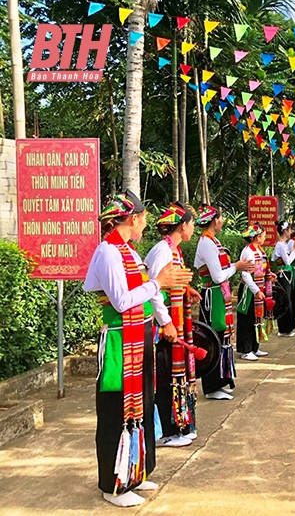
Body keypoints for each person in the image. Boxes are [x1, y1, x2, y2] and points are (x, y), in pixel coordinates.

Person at [85, 190, 192, 507]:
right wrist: (159, 282)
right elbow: (120, 300)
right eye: (144, 219)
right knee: (116, 410)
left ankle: (134, 472)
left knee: (141, 408)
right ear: (132, 219)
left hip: (140, 335)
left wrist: (163, 284)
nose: (147, 224)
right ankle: (112, 484)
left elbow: (143, 290)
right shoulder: (108, 252)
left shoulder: (129, 251)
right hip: (120, 340)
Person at [145, 202, 202, 449]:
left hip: (174, 317)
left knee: (176, 374)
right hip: (164, 322)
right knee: (166, 375)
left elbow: (169, 282)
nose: (193, 230)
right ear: (182, 226)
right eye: (191, 224)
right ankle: (166, 431)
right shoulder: (163, 251)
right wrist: (166, 322)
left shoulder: (174, 251)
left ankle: (180, 425)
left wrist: (186, 289)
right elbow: (154, 289)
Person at [194, 205, 255, 400]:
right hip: (213, 296)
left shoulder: (214, 241)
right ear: (215, 220)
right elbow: (218, 275)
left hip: (221, 295)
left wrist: (235, 267)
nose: (222, 221)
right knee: (214, 338)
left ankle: (220, 382)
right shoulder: (206, 243)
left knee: (222, 338)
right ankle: (211, 387)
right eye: (220, 218)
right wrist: (237, 266)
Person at [236, 223, 277, 361]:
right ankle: (246, 349)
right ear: (257, 237)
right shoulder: (248, 251)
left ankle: (254, 347)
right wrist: (256, 290)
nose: (265, 238)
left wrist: (269, 276)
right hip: (249, 290)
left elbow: (261, 270)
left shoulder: (259, 250)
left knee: (257, 318)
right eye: (264, 236)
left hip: (258, 288)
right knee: (247, 319)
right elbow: (245, 274)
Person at [272, 220, 295, 336]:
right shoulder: (281, 245)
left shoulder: (284, 245)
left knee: (288, 299)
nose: (290, 232)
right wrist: (294, 251)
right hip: (282, 274)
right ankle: (284, 328)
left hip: (287, 274)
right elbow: (287, 261)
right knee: (284, 299)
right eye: (289, 230)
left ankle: (288, 327)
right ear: (285, 231)